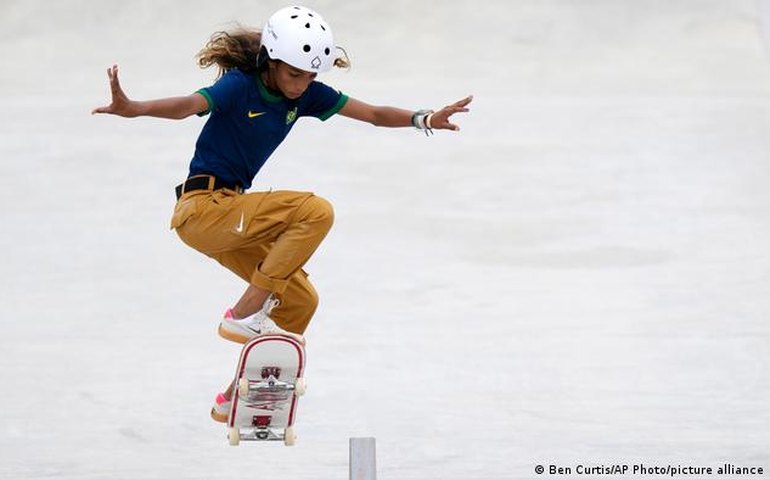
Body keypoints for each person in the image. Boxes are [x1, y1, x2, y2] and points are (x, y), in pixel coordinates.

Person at [92, 5, 472, 422]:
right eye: (294, 74)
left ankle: (236, 397)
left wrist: (425, 118)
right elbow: (187, 104)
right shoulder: (240, 86)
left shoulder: (308, 94)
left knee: (301, 299)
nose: (301, 85)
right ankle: (243, 314)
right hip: (203, 209)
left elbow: (374, 115)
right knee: (314, 211)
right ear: (270, 62)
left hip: (233, 217)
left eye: (310, 76)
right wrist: (134, 108)